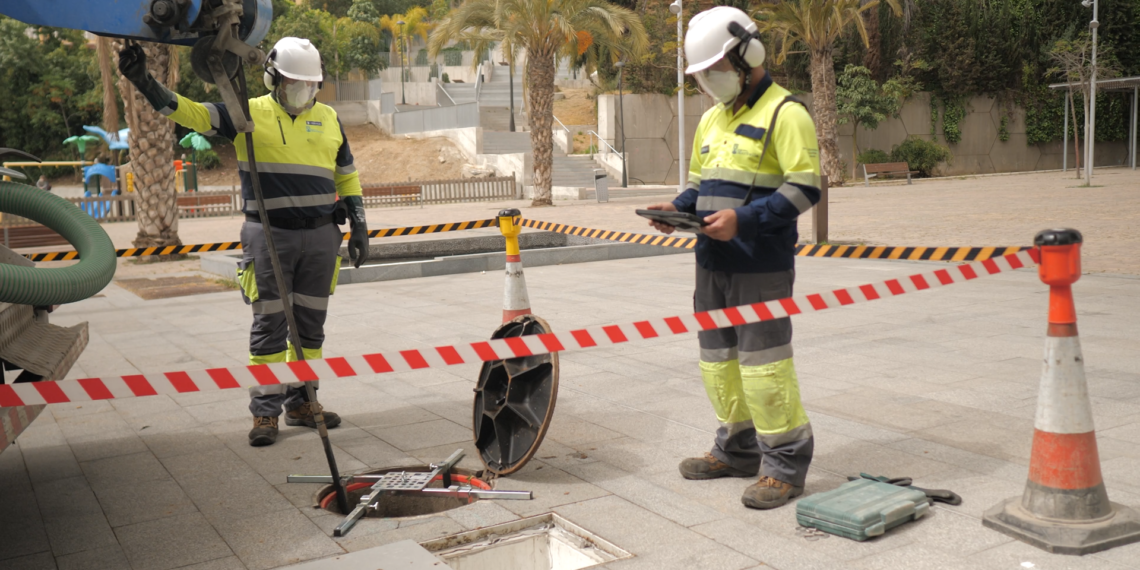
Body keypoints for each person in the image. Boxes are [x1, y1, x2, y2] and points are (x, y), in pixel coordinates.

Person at [119, 37, 370, 447]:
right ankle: (265, 413)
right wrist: (147, 82)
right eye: (294, 84)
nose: (303, 93)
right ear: (273, 77)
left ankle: (303, 402)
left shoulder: (328, 118)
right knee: (269, 324)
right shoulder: (246, 113)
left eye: (310, 86)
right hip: (270, 235)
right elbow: (193, 114)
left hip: (322, 236)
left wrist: (359, 225)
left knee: (310, 327)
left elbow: (347, 175)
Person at [645, 6, 821, 510]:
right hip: (711, 263)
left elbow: (806, 187)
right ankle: (739, 449)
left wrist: (744, 220)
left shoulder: (786, 113)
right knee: (719, 365)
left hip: (759, 265)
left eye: (713, 70)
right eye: (700, 74)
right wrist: (675, 210)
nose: (707, 81)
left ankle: (784, 466)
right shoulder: (711, 119)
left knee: (765, 368)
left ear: (749, 56)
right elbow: (700, 184)